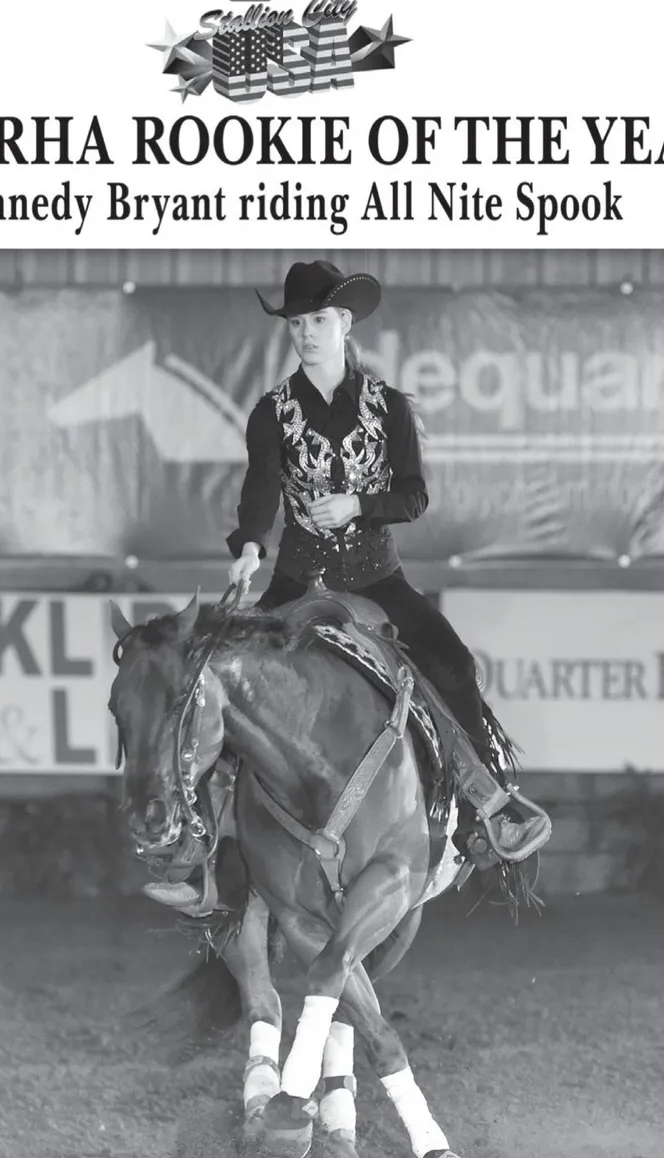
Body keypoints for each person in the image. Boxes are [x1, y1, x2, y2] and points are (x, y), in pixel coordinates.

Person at [226, 259, 549, 866]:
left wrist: (358, 504)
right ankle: (206, 848)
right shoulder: (271, 412)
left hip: (377, 578)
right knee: (229, 673)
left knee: (453, 665)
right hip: (297, 577)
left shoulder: (389, 407)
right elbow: (260, 491)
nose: (306, 333)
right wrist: (248, 547)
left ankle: (486, 811)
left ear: (344, 323)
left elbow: (413, 497)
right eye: (296, 324)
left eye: (318, 320)